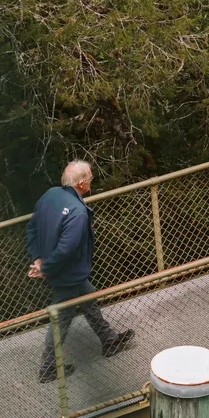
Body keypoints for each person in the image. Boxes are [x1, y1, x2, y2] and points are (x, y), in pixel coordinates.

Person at [28, 161, 135, 383]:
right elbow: (67, 249)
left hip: (64, 271)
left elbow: (32, 227)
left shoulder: (50, 195)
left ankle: (109, 340)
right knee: (61, 320)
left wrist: (38, 259)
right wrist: (45, 267)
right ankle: (48, 367)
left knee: (89, 298)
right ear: (82, 183)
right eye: (90, 177)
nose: (92, 179)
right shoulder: (77, 212)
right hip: (68, 273)